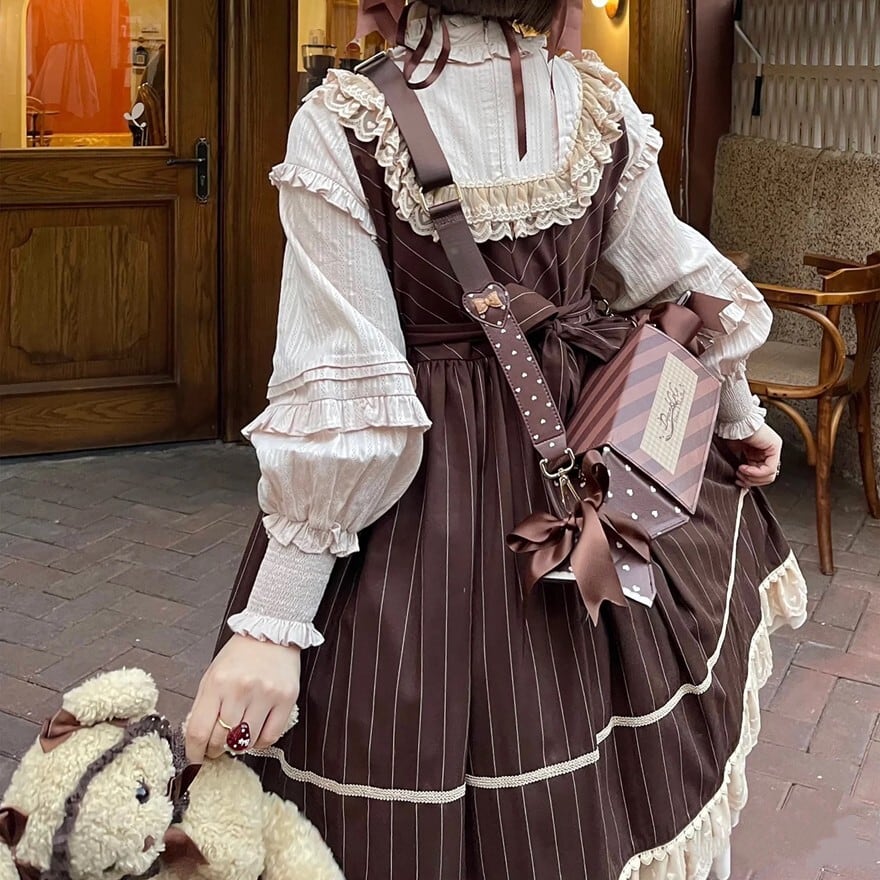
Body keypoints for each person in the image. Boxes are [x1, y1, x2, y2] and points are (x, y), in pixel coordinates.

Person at [187, 2, 807, 877]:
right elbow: (680, 284)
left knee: (403, 751)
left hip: (430, 510)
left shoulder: (346, 120)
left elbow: (351, 402)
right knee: (596, 741)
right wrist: (738, 414)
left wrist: (278, 623)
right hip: (588, 461)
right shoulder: (596, 101)